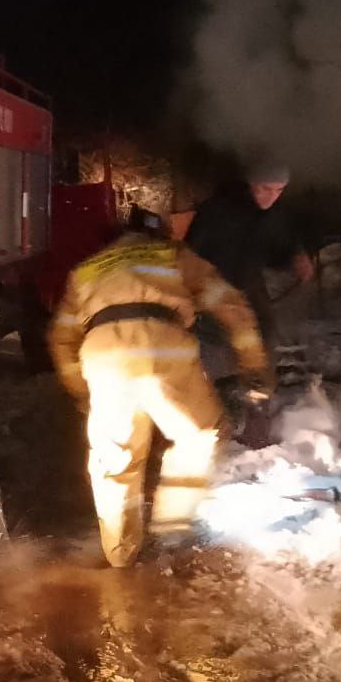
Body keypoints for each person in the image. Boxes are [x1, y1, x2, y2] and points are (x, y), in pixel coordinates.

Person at [48, 206, 272, 567]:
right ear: (158, 234)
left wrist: (83, 392)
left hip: (103, 359)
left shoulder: (86, 270)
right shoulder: (172, 255)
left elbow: (62, 339)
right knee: (199, 434)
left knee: (115, 461)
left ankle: (121, 555)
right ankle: (170, 528)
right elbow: (231, 305)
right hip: (161, 349)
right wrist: (253, 363)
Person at [185, 164, 314, 349]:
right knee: (218, 337)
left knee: (263, 332)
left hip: (249, 280)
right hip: (213, 281)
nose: (272, 196)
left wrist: (296, 255)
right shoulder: (216, 209)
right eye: (266, 189)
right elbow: (191, 251)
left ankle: (261, 367)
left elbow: (281, 244)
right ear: (252, 183)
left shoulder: (273, 213)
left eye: (279, 190)